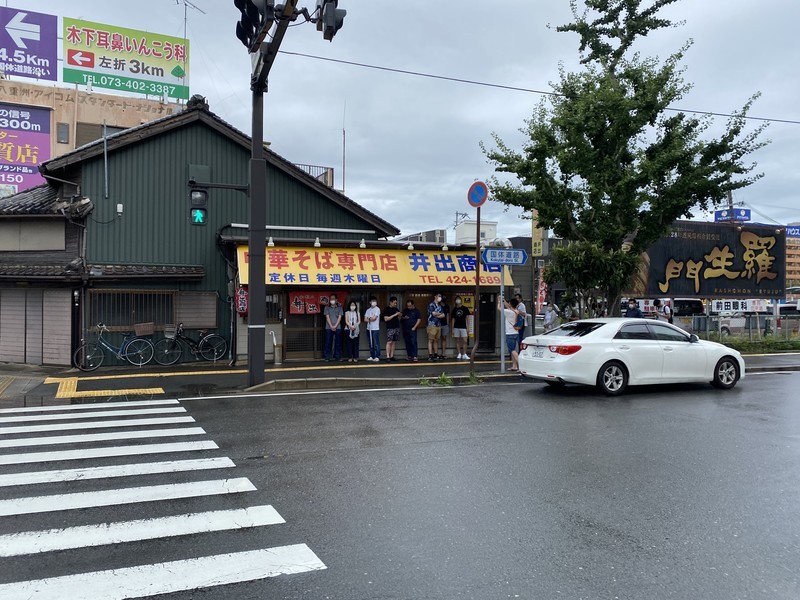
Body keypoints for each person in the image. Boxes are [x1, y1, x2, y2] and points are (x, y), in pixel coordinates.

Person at [499, 297, 520, 371]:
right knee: (513, 350)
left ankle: (520, 365)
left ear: (510, 304)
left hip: (510, 333)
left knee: (512, 350)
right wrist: (504, 300)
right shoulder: (516, 311)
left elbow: (499, 308)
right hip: (515, 332)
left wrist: (499, 301)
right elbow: (508, 306)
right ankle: (514, 366)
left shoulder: (508, 312)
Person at [323, 293, 343, 361]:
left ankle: (337, 356)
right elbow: (327, 317)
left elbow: (340, 317)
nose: (332, 300)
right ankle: (327, 357)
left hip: (338, 327)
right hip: (328, 327)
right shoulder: (326, 307)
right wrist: (331, 326)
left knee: (338, 342)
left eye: (333, 299)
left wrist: (335, 326)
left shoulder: (340, 307)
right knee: (328, 342)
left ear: (336, 300)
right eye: (331, 299)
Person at [426, 293, 445, 360]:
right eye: (438, 296)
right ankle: (430, 355)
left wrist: (438, 315)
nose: (440, 297)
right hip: (432, 324)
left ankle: (436, 354)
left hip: (438, 325)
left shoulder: (440, 306)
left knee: (436, 340)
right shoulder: (431, 305)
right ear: (435, 297)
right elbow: (433, 313)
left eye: (440, 296)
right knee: (430, 340)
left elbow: (443, 315)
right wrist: (439, 314)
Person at [383, 296, 402, 362]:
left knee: (394, 342)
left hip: (396, 326)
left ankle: (392, 356)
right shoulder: (386, 309)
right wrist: (394, 315)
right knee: (389, 342)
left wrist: (399, 315)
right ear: (390, 302)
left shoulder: (396, 309)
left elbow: (399, 318)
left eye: (396, 303)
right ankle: (387, 356)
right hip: (390, 327)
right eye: (394, 303)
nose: (395, 304)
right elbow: (386, 319)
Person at [364, 296, 381, 362]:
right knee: (370, 343)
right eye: (372, 301)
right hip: (369, 328)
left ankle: (377, 356)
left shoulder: (377, 309)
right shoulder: (368, 310)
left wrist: (369, 318)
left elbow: (374, 318)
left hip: (375, 329)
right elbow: (365, 319)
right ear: (370, 302)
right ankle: (372, 355)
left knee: (376, 343)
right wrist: (370, 318)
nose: (374, 302)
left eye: (375, 301)